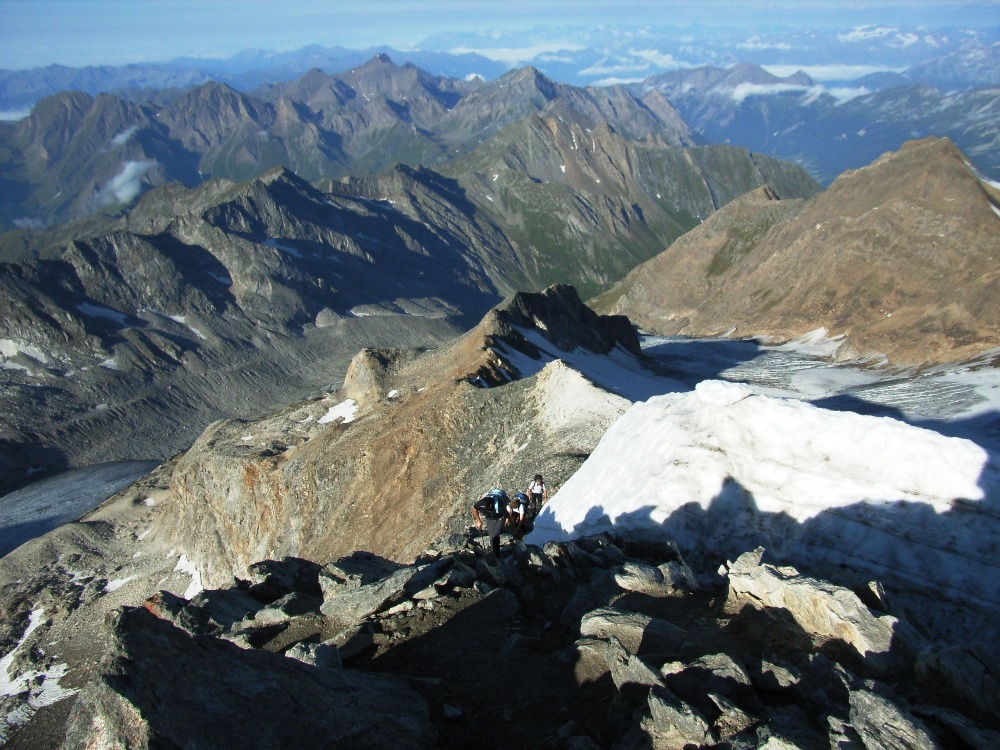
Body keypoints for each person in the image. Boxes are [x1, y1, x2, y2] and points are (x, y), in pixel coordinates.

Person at [472, 488, 511, 556]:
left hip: (500, 517)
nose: (484, 510)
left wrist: (513, 529)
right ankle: (494, 551)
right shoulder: (480, 503)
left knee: (495, 535)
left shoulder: (499, 505)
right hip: (490, 517)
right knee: (491, 534)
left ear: (490, 505)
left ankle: (496, 553)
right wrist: (478, 521)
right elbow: (474, 509)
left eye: (487, 508)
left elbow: (508, 516)